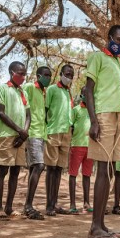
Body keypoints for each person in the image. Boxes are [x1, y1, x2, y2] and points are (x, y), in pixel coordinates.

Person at [85, 25, 120, 238]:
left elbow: (112, 90)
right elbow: (89, 89)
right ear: (109, 38)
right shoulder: (97, 57)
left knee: (109, 171)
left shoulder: (118, 63)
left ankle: (101, 224)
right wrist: (93, 121)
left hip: (118, 116)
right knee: (101, 170)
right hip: (103, 117)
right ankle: (94, 228)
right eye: (119, 39)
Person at [0, 61, 31, 220]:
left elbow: (28, 114)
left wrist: (24, 133)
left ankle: (9, 207)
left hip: (21, 137)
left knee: (16, 171)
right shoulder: (3, 88)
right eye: (20, 73)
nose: (23, 77)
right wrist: (19, 130)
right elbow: (1, 113)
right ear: (11, 72)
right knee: (3, 170)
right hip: (7, 134)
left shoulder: (23, 92)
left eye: (24, 74)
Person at [22, 66, 52, 220]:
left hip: (42, 133)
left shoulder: (44, 92)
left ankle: (28, 205)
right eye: (45, 75)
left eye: (49, 75)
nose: (48, 77)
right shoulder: (29, 87)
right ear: (38, 75)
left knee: (35, 166)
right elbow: (23, 104)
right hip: (32, 132)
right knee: (40, 166)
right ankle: (28, 205)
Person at [44, 64, 74, 216]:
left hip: (66, 133)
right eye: (67, 74)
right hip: (53, 131)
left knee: (59, 169)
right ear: (61, 73)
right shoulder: (51, 89)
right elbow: (45, 110)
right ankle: (48, 205)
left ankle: (54, 203)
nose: (69, 77)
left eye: (71, 76)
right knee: (51, 168)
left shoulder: (69, 93)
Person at [68, 86, 93, 214]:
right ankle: (72, 204)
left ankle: (86, 202)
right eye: (85, 94)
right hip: (77, 145)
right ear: (81, 95)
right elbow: (70, 127)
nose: (87, 96)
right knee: (73, 174)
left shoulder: (94, 111)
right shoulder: (76, 110)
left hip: (91, 147)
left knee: (87, 175)